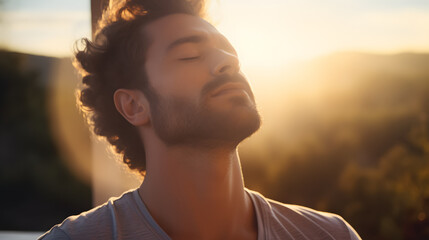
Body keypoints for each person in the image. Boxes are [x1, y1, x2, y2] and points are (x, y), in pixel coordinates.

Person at [39, 0, 361, 239]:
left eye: (229, 53)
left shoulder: (330, 234)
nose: (227, 62)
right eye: (190, 55)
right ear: (134, 105)